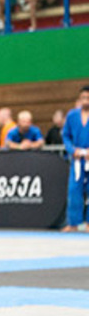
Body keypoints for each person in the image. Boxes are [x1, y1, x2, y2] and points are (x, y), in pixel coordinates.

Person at [61, 87, 89, 231]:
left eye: (88, 97)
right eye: (83, 97)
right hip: (77, 160)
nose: (86, 100)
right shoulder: (72, 115)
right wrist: (72, 150)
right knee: (74, 191)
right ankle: (73, 223)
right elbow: (65, 135)